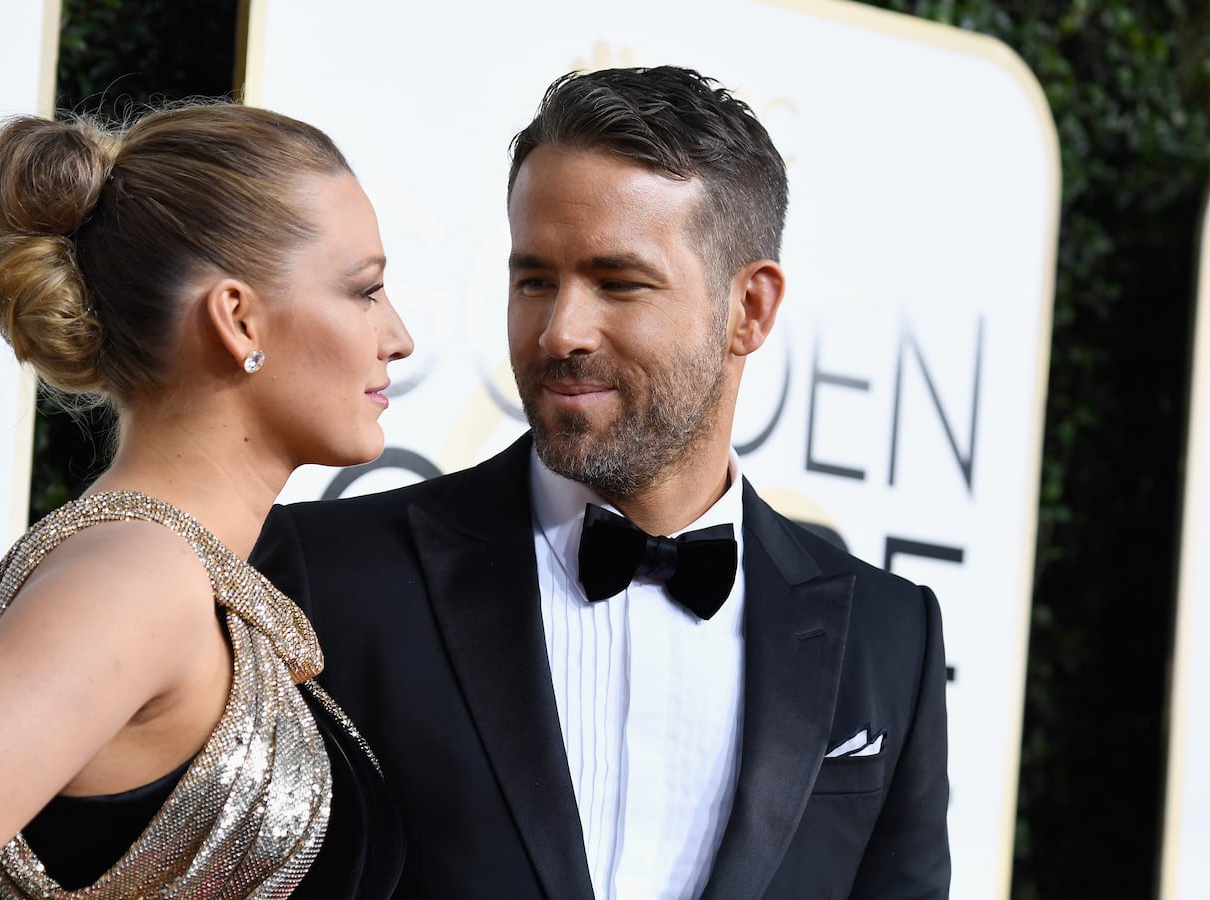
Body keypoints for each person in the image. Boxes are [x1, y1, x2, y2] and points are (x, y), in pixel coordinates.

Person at [252, 66, 949, 899]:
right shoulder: (331, 578)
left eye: (619, 283)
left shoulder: (888, 637)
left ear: (750, 310)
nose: (559, 331)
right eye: (535, 279)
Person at [0, 103, 411, 899]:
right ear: (237, 318)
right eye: (364, 291)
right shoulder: (139, 576)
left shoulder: (172, 569)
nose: (397, 337)